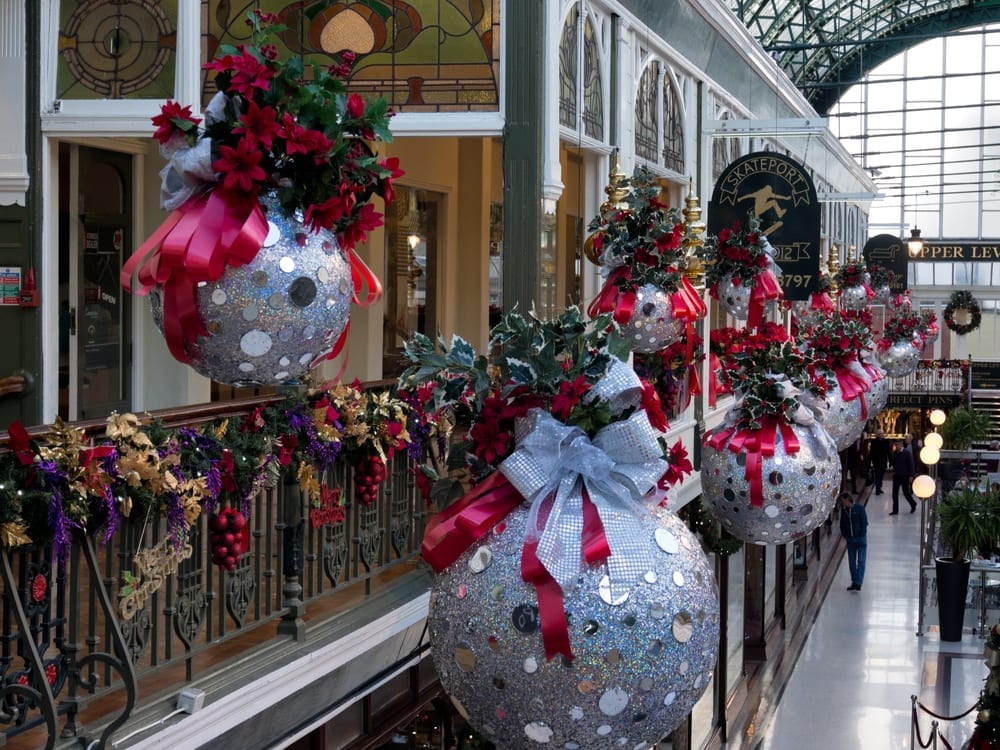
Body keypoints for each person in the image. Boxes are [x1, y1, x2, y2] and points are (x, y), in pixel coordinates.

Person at [839, 492, 868, 591]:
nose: (843, 503)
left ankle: (858, 582)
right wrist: (845, 535)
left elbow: (864, 521)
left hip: (860, 539)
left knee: (861, 560)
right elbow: (842, 524)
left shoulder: (859, 508)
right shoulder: (844, 512)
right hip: (850, 539)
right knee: (851, 562)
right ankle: (854, 581)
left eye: (843, 501)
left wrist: (861, 534)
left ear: (848, 499)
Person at [891, 438, 917, 514]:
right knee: (894, 494)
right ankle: (895, 510)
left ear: (901, 444)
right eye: (895, 445)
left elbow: (911, 464)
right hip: (896, 476)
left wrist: (911, 475)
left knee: (906, 493)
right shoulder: (895, 453)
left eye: (898, 444)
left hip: (905, 476)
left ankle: (913, 504)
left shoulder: (907, 453)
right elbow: (894, 462)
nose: (896, 446)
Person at [868, 429, 891, 495]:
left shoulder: (886, 442)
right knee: (877, 475)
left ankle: (879, 487)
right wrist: (869, 461)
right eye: (880, 434)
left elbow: (888, 452)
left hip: (883, 461)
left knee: (881, 476)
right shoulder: (874, 442)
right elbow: (871, 452)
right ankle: (877, 489)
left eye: (882, 434)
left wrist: (890, 461)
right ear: (877, 435)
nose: (881, 435)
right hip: (876, 462)